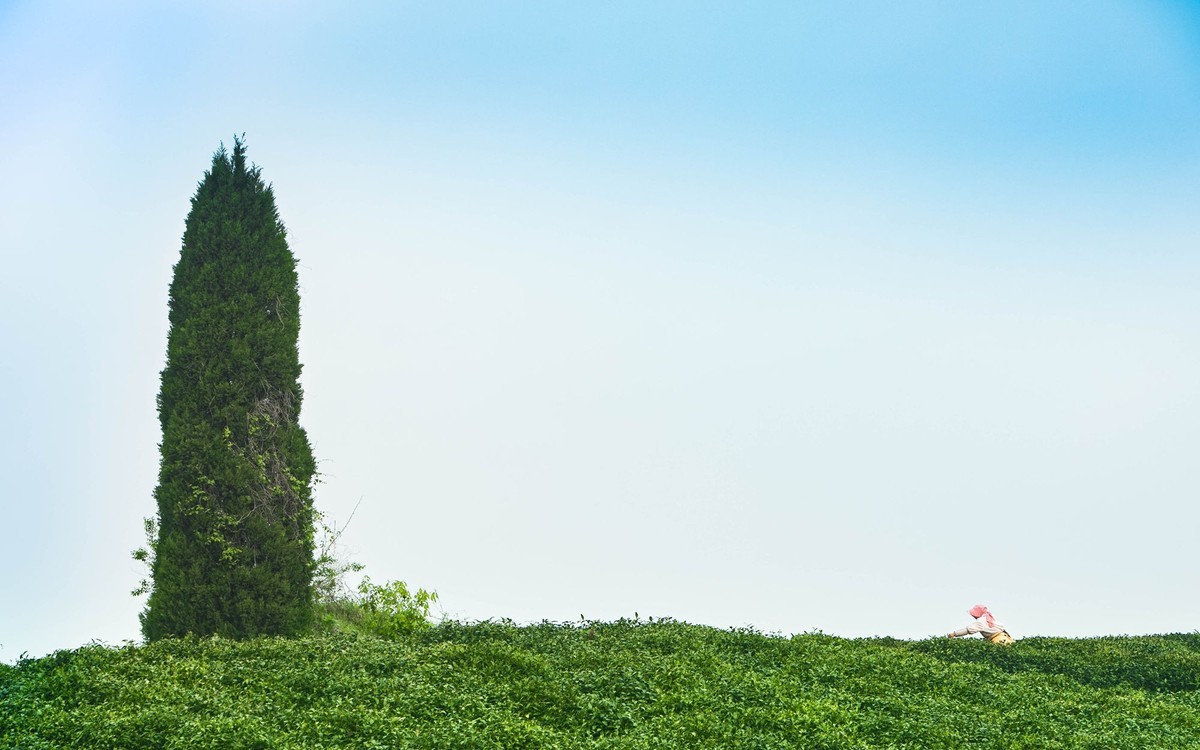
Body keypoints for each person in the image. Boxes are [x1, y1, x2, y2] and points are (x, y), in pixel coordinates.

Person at [948, 604, 1014, 645]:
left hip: (999, 641)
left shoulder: (981, 621)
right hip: (1007, 638)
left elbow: (968, 630)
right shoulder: (991, 617)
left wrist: (954, 634)